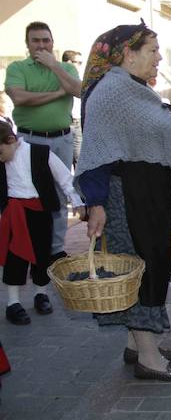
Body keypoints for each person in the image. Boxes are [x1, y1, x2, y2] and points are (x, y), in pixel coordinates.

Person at [76, 22, 171, 381]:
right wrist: (96, 204)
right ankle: (149, 358)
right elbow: (97, 152)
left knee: (146, 264)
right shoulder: (112, 91)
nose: (159, 57)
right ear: (128, 53)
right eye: (152, 50)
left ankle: (136, 344)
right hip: (126, 197)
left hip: (147, 193)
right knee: (138, 269)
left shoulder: (134, 88)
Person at [4, 22, 81, 262]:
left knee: (59, 195)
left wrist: (54, 66)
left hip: (62, 139)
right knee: (28, 194)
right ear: (27, 44)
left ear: (52, 43)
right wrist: (58, 93)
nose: (41, 45)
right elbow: (19, 97)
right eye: (35, 40)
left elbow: (78, 90)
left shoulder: (66, 67)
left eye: (46, 40)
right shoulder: (17, 68)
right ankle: (30, 249)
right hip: (28, 141)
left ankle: (56, 250)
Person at [0, 121, 84, 324]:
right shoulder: (2, 160)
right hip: (14, 212)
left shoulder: (40, 152)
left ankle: (41, 294)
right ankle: (13, 303)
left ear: (11, 140)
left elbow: (64, 177)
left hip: (40, 211)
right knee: (14, 256)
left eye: (0, 152)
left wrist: (76, 201)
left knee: (42, 253)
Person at [62, 50, 84, 166]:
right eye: (78, 62)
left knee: (79, 158)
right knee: (64, 160)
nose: (80, 66)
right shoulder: (59, 77)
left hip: (78, 121)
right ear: (69, 62)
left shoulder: (80, 78)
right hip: (65, 122)